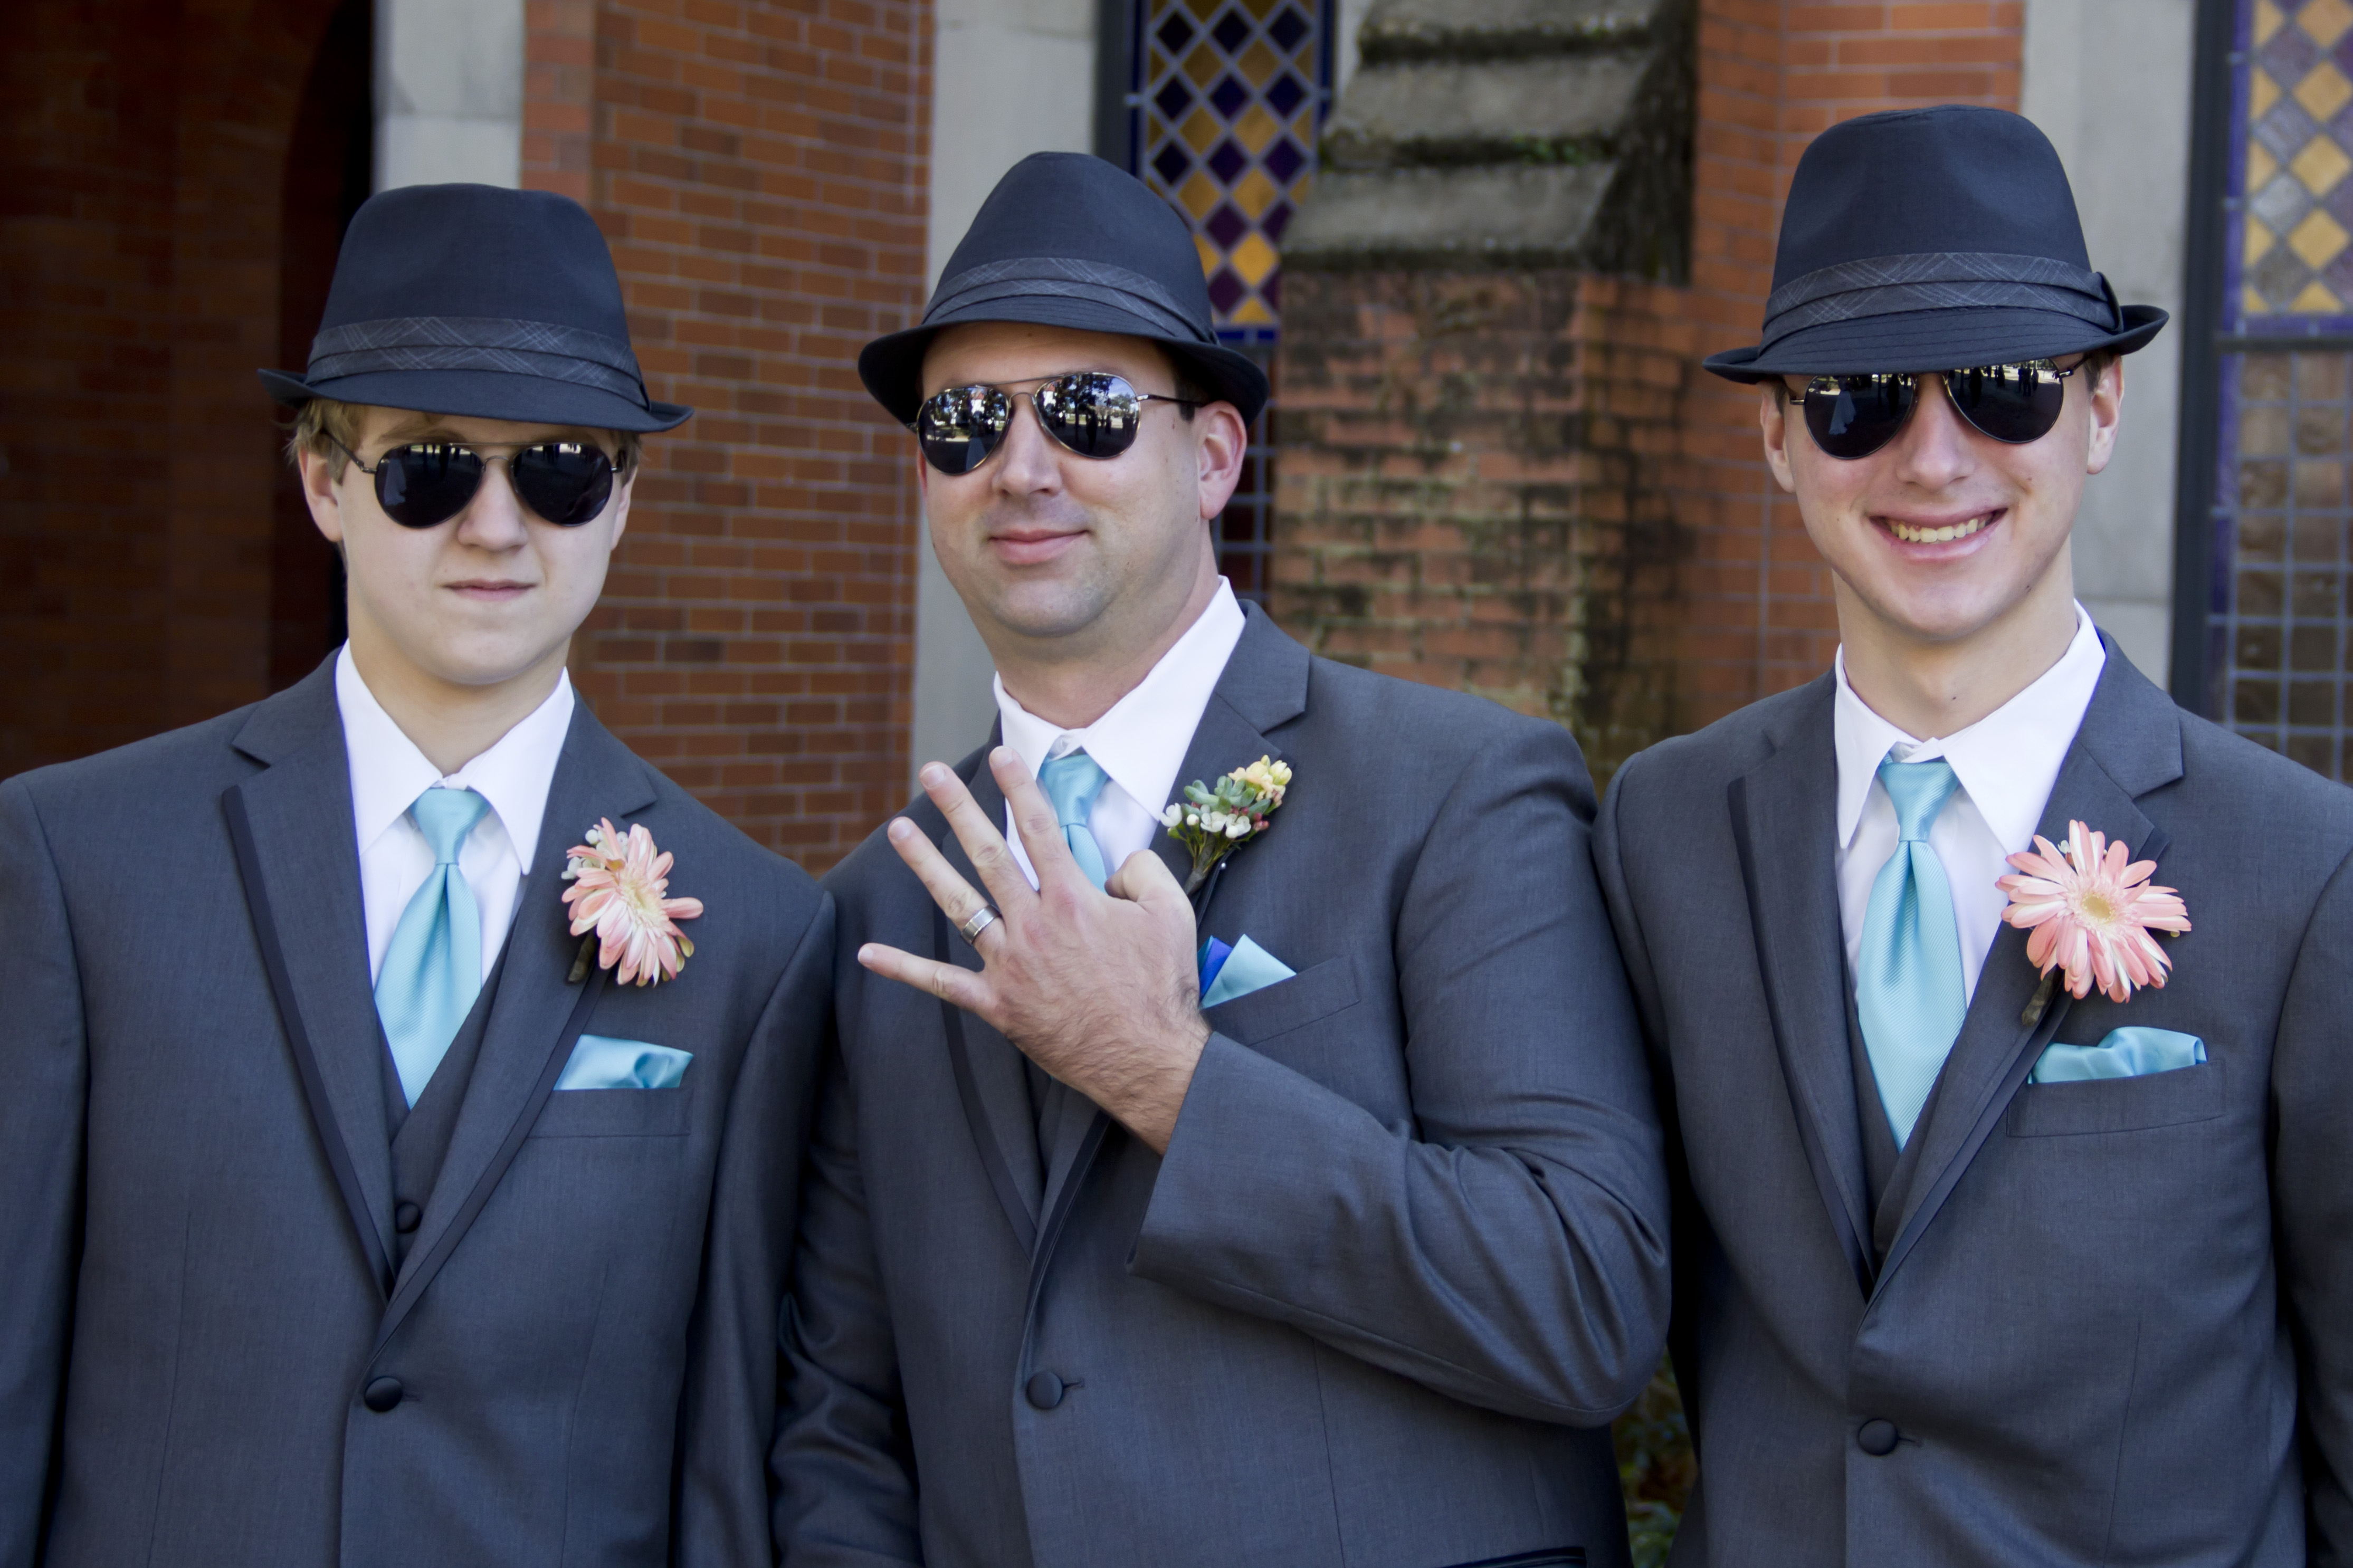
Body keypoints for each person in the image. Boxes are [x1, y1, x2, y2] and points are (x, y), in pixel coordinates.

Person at [773, 152, 1671, 1568]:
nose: (1021, 469)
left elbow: (1584, 1299)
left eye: (1086, 411)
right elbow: (841, 1421)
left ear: (1211, 458)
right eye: (963, 423)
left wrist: (1163, 1076)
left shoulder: (1455, 791)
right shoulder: (875, 910)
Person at [0, 184, 832, 1566]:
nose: (496, 526)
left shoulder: (758, 934)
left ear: (622, 503)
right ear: (325, 484)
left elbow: (726, 1456)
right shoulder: (77, 861)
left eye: (559, 470)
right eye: (430, 467)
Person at [1594, 104, 2352, 1564]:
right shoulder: (1663, 827)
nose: (1933, 460)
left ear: (2102, 409)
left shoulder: (2304, 866)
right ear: (1776, 435)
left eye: (2003, 388)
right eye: (1858, 400)